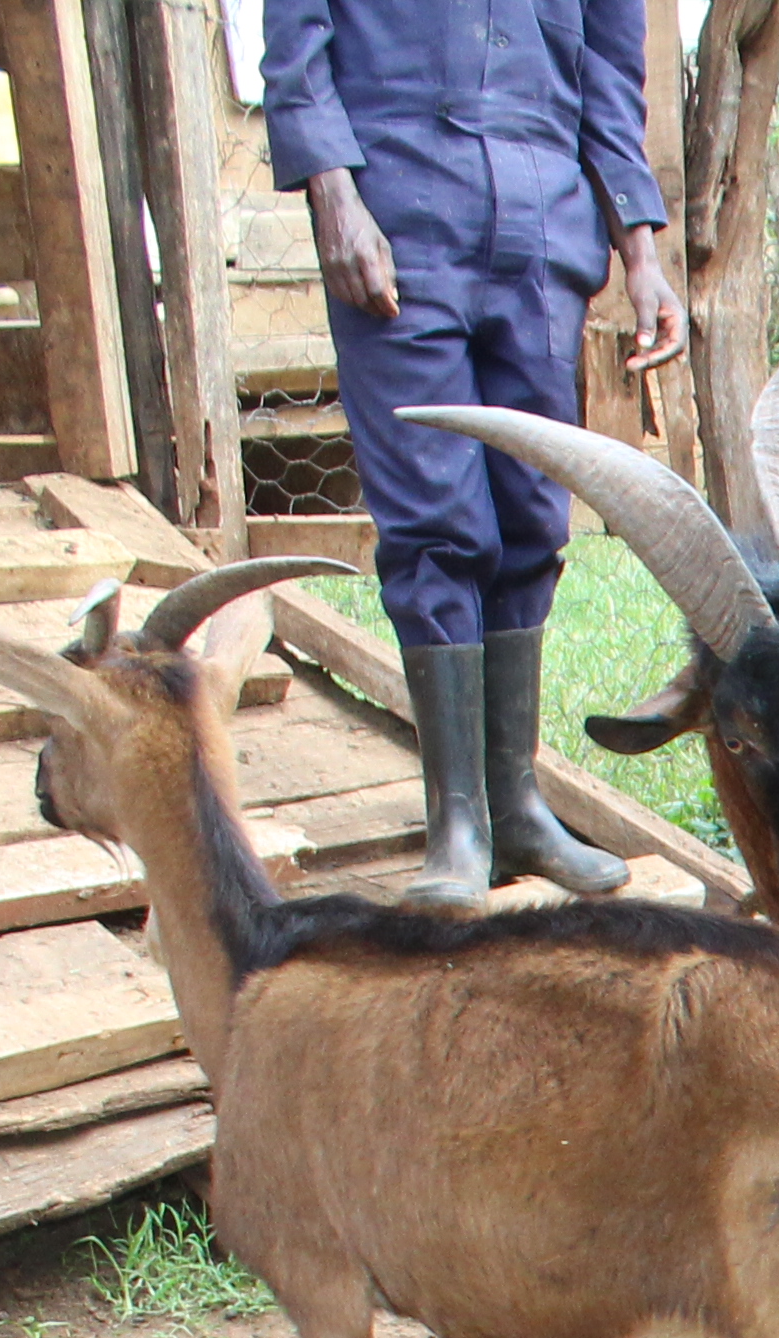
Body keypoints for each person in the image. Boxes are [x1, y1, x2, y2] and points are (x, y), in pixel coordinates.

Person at [262, 0, 688, 902]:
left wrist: (640, 250)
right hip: (399, 204)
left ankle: (517, 804)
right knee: (435, 520)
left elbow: (612, 67)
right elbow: (295, 33)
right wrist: (332, 193)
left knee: (534, 514)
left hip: (543, 221)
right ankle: (457, 824)